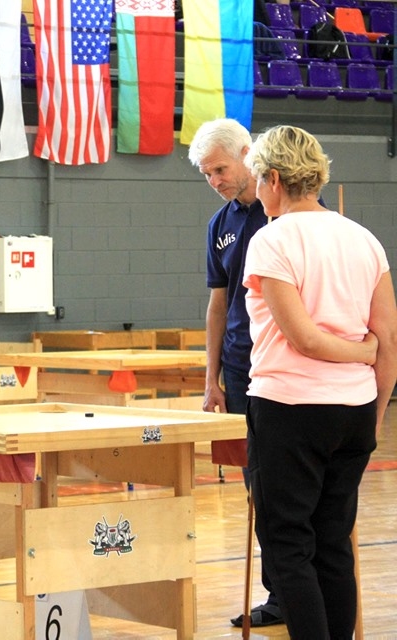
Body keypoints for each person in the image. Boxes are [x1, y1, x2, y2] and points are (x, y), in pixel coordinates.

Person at [242, 124, 397, 639]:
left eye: (258, 180)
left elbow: (304, 339)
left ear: (275, 179)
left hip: (290, 408)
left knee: (288, 544)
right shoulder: (364, 238)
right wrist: (372, 415)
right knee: (332, 541)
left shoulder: (272, 239)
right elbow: (388, 341)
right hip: (354, 409)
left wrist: (355, 352)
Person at [188, 119, 282, 627]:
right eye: (206, 174)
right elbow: (218, 303)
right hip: (240, 369)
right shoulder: (219, 224)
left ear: (249, 155)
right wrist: (212, 378)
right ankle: (278, 596)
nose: (216, 181)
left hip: (285, 368)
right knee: (256, 484)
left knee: (282, 483)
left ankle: (299, 590)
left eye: (220, 169)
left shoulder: (286, 215)